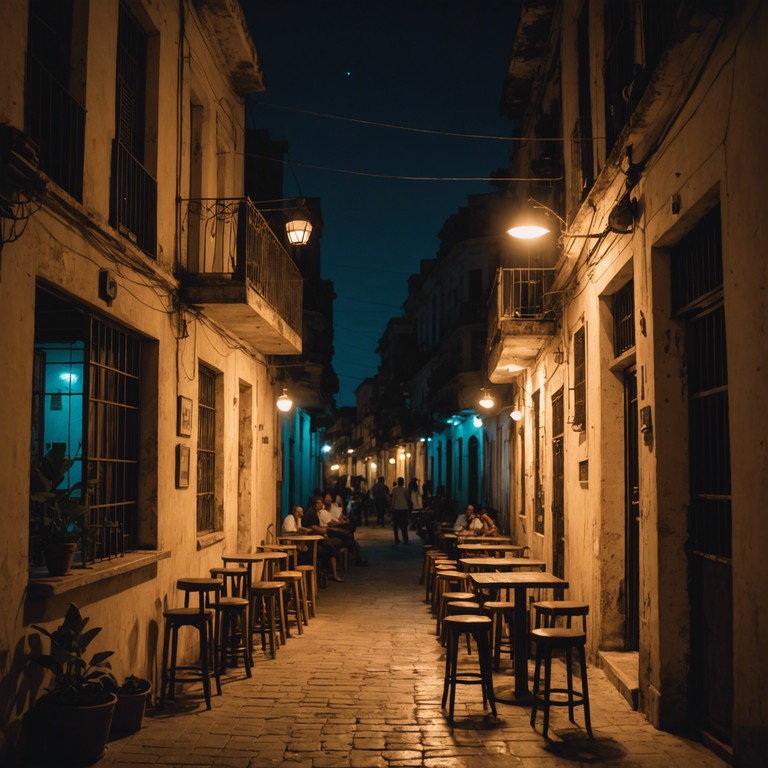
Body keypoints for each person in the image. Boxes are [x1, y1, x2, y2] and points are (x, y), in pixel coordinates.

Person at [282, 505, 343, 582]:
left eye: (301, 511)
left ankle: (326, 574)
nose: (300, 513)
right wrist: (304, 533)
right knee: (320, 550)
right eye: (298, 512)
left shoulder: (299, 519)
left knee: (327, 548)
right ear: (293, 512)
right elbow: (290, 532)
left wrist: (308, 530)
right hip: (290, 544)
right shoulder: (290, 518)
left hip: (298, 543)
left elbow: (299, 528)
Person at [389, 476, 411, 544]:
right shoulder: (405, 489)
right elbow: (408, 498)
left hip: (396, 508)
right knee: (403, 525)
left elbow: (392, 499)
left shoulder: (394, 489)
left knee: (396, 525)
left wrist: (391, 507)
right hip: (403, 508)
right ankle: (405, 538)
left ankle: (397, 538)